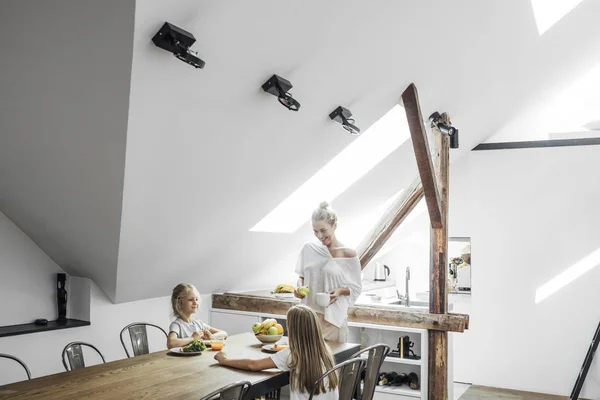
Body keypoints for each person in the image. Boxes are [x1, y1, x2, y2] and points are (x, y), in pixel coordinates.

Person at [214, 305, 338, 400]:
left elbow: (253, 365)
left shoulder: (293, 355)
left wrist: (224, 360)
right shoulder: (325, 350)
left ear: (293, 330)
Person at [294, 201, 362, 343]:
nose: (319, 236)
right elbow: (302, 276)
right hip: (309, 318)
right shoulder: (308, 249)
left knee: (334, 364)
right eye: (315, 231)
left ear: (334, 225)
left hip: (332, 320)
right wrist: (298, 288)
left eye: (323, 230)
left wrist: (339, 291)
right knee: (307, 363)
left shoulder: (348, 254)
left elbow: (355, 288)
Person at [167, 283, 227, 349]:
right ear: (179, 303)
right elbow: (171, 343)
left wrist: (211, 337)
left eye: (196, 299)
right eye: (190, 299)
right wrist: (192, 338)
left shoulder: (199, 324)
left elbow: (224, 334)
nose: (195, 303)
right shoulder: (177, 325)